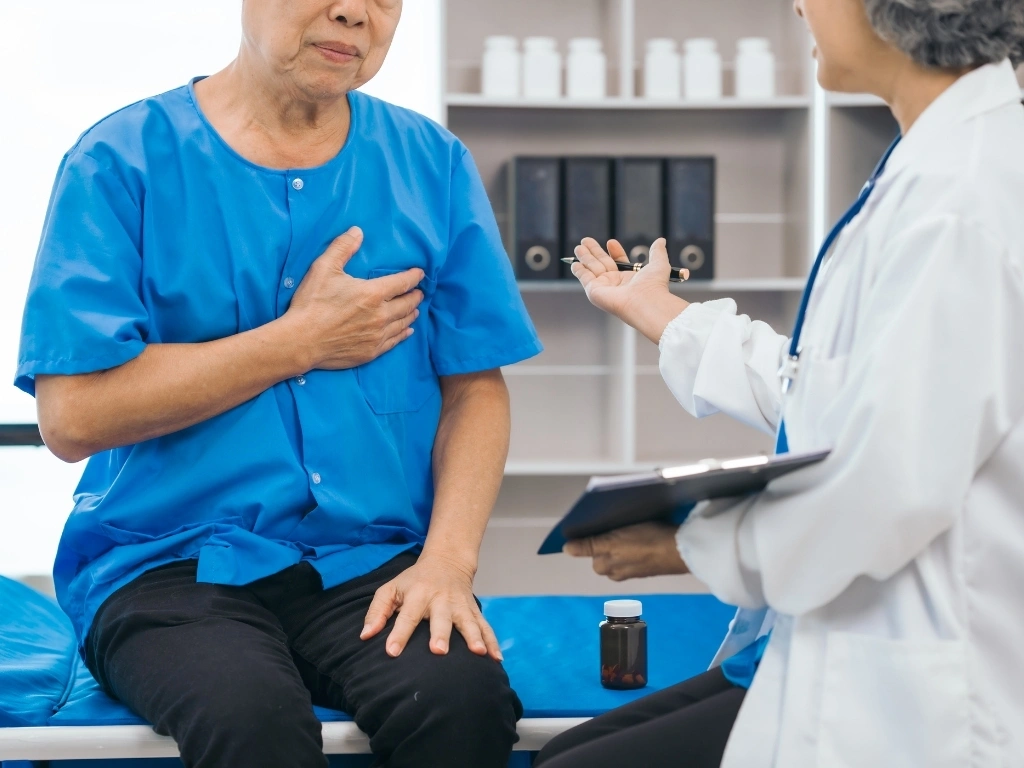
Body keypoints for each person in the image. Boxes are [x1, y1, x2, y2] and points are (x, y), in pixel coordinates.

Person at [15, 1, 543, 767]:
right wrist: (295, 343)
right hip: (166, 566)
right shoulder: (119, 161)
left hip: (369, 562)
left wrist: (448, 564)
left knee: (462, 704)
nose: (353, 13)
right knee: (251, 723)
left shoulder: (431, 163)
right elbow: (72, 416)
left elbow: (474, 389)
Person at [535, 0, 1024, 766]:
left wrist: (685, 545)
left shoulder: (961, 199)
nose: (797, 2)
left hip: (917, 691)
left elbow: (886, 487)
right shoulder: (935, 166)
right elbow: (831, 391)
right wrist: (664, 314)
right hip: (841, 635)